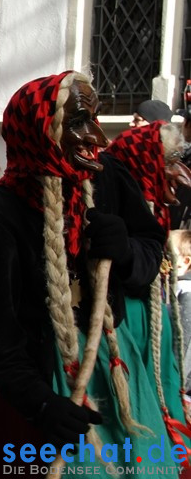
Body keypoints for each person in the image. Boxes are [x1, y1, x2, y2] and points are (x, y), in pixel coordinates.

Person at [0, 71, 175, 477]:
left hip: (117, 363)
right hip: (46, 383)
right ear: (42, 129)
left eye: (95, 120)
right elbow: (0, 342)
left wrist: (128, 252)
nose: (97, 137)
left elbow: (151, 249)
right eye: (78, 123)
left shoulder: (106, 176)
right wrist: (41, 404)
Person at [101, 120, 191, 455]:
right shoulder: (115, 200)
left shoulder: (156, 210)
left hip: (149, 327)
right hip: (124, 330)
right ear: (145, 164)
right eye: (168, 162)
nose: (177, 174)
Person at [170, 229, 191, 390]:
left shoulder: (186, 293)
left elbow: (182, 342)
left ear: (185, 261)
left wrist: (174, 383)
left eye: (169, 253)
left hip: (177, 384)